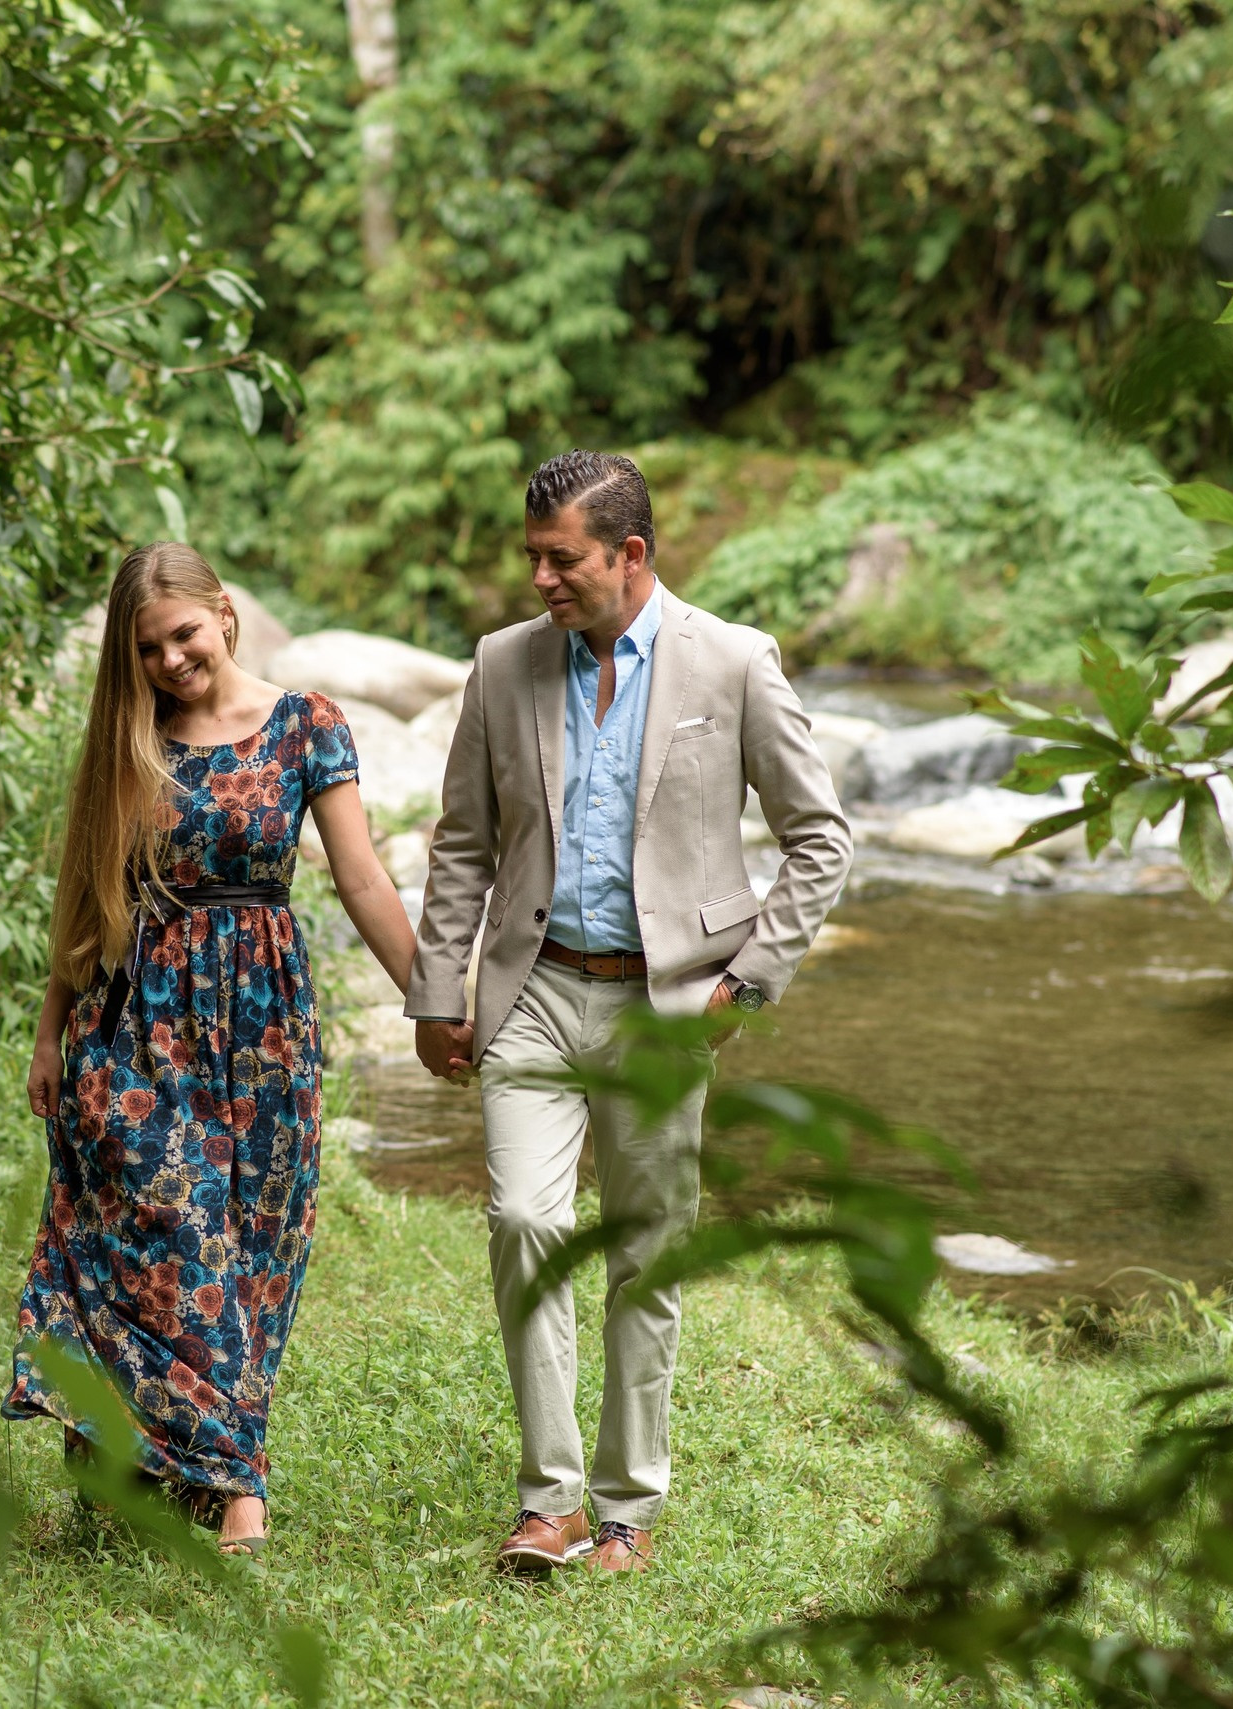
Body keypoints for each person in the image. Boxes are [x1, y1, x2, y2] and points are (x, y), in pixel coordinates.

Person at [406, 451, 852, 1576]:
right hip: (533, 990)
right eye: (533, 558)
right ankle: (549, 1501)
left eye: (562, 559)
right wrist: (438, 988)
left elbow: (820, 839)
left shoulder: (734, 662)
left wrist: (746, 981)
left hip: (666, 1006)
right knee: (524, 1219)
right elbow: (462, 845)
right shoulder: (501, 664)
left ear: (631, 553)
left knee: (646, 1253)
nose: (541, 579)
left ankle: (626, 1511)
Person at [4, 542, 418, 1556]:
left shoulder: (306, 723)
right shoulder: (129, 739)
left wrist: (434, 998)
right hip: (137, 1024)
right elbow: (84, 894)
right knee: (161, 1230)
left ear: (224, 613)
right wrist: (49, 1032)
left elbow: (362, 877)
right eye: (147, 648)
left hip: (263, 1026)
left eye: (183, 633)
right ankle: (237, 1485)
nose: (170, 660)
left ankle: (179, 1461)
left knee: (252, 1245)